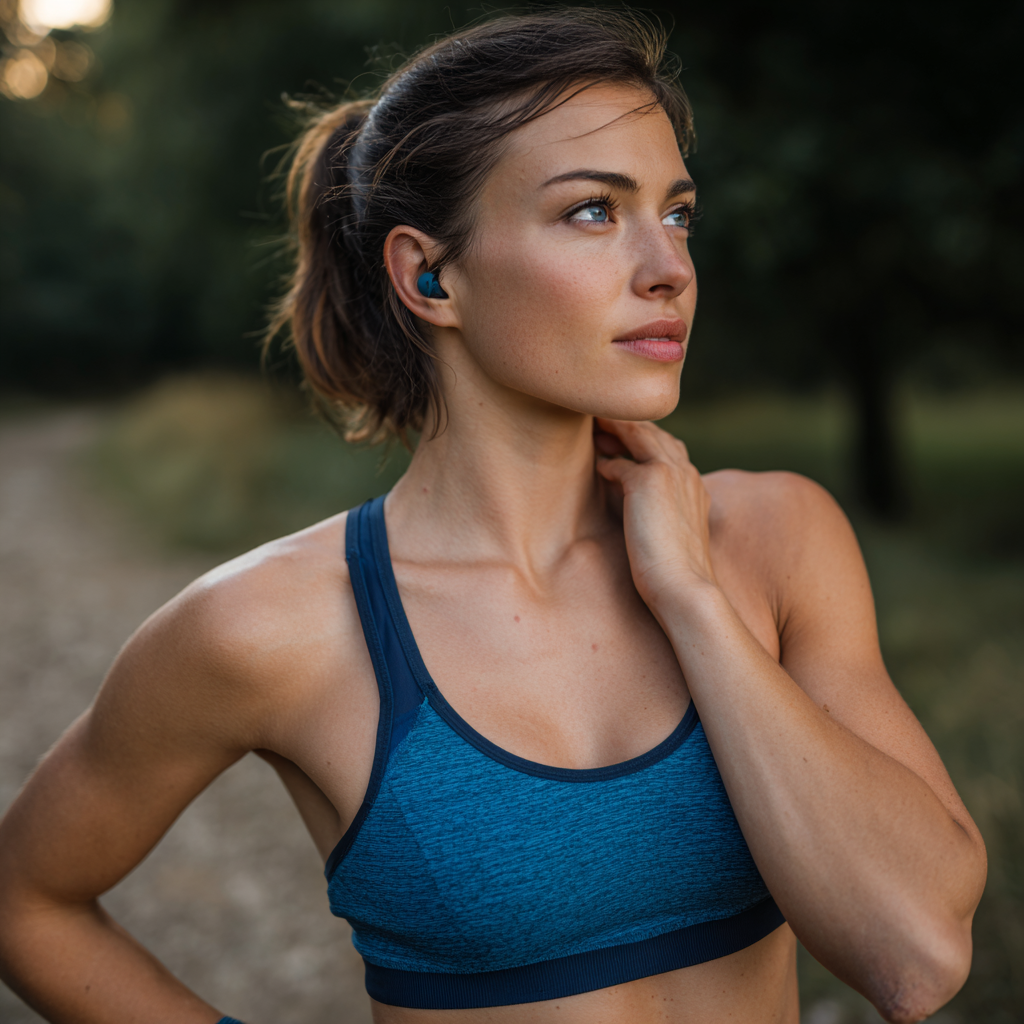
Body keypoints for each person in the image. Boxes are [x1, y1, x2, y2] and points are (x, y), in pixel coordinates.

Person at [0, 10, 986, 1024]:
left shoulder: (775, 540)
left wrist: (692, 599)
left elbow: (915, 957)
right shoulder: (270, 627)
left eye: (678, 213)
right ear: (428, 275)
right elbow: (26, 900)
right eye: (593, 212)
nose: (670, 266)